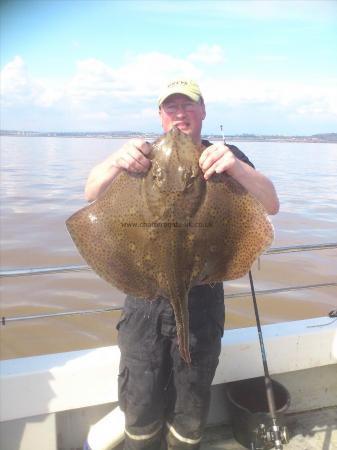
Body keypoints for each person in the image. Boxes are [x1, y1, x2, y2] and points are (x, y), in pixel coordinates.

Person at [85, 79, 279, 450]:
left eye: (187, 106)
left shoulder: (226, 156)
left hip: (202, 301)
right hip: (144, 300)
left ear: (203, 111)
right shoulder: (139, 159)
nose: (179, 113)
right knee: (140, 402)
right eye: (170, 107)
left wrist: (236, 167)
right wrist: (115, 160)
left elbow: (270, 205)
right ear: (160, 116)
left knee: (191, 402)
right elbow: (91, 194)